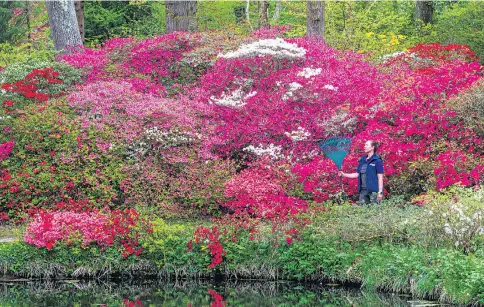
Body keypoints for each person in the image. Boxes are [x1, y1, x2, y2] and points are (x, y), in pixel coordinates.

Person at [338, 140, 384, 204]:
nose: (364, 146)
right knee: (361, 211)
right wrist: (344, 174)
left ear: (372, 147)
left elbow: (380, 177)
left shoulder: (377, 161)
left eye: (367, 145)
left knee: (374, 212)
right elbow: (357, 174)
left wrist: (380, 192)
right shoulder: (362, 160)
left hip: (374, 192)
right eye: (364, 145)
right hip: (363, 191)